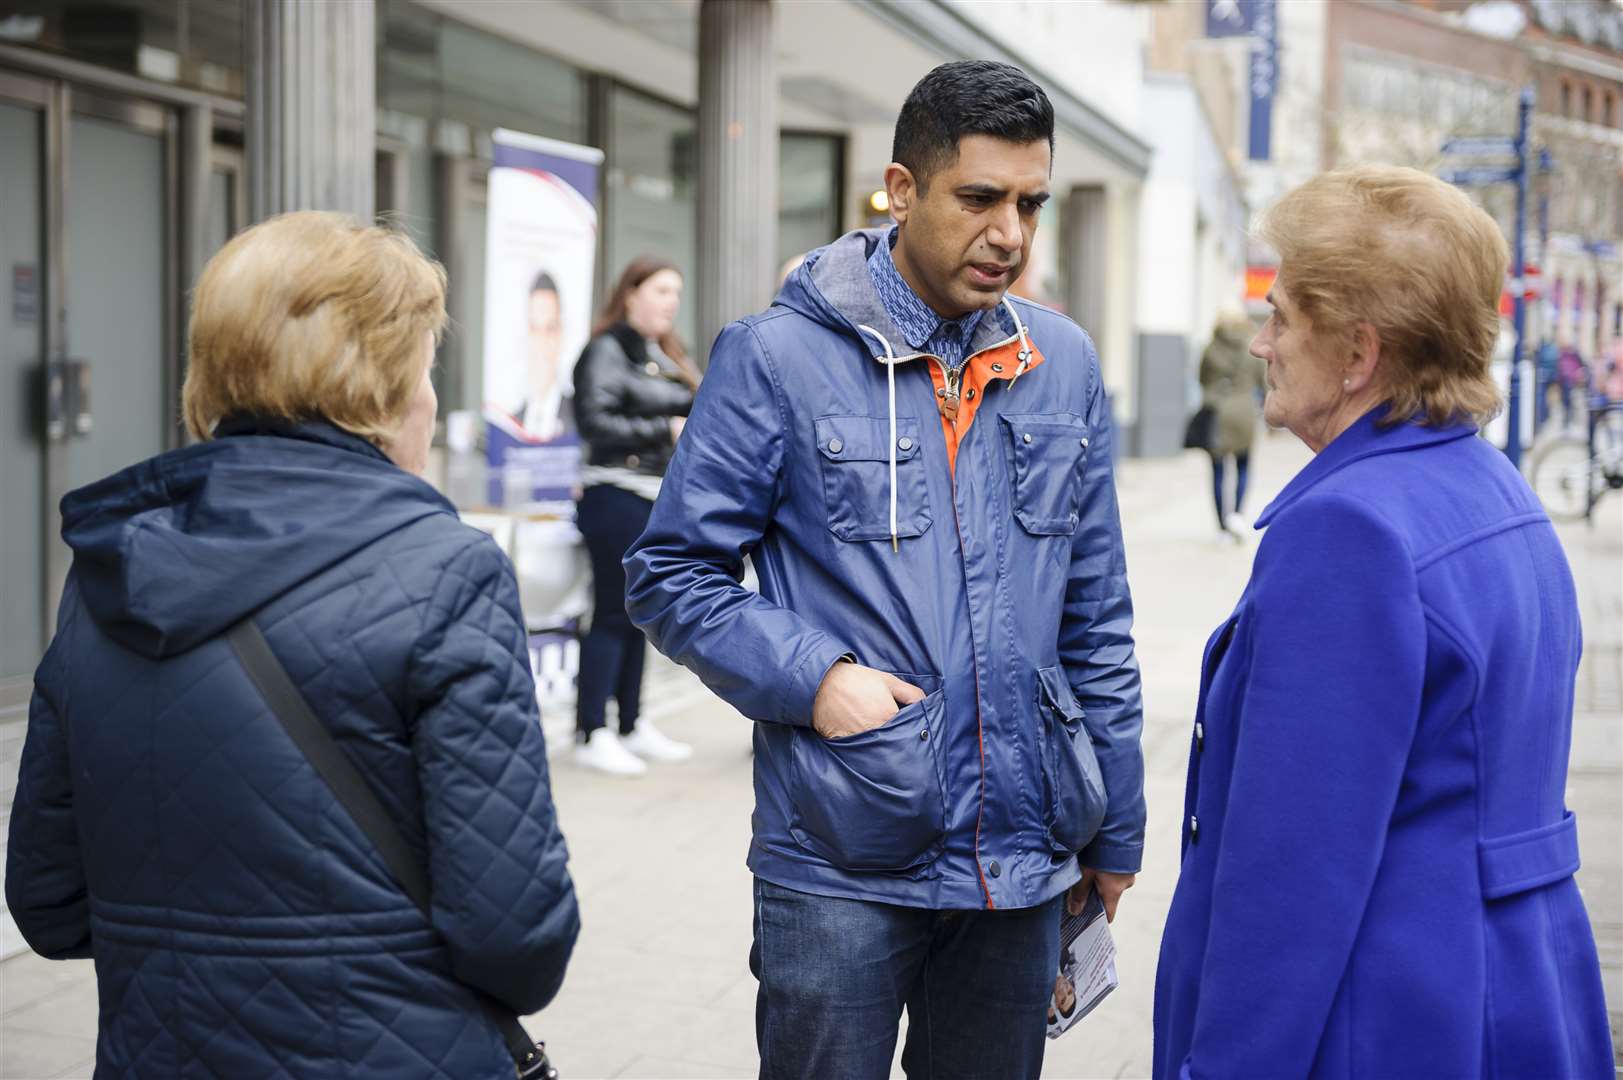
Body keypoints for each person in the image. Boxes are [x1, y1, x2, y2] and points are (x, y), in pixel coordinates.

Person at [625, 60, 1144, 1079]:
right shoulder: (773, 358)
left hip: (1020, 863)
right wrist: (814, 677)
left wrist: (1114, 827)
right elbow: (671, 571)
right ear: (903, 192)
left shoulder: (1065, 365)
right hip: (838, 858)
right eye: (981, 199)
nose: (1011, 233)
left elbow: (1096, 613)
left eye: (1030, 203)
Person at [3, 212, 580, 1079]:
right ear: (383, 393)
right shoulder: (445, 572)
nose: (429, 397)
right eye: (423, 368)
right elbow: (515, 935)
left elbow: (48, 905)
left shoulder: (111, 570)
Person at [1154, 167, 1614, 1078]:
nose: (1260, 343)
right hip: (1512, 989)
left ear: (1358, 354)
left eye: (1283, 317)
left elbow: (1291, 876)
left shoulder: (1347, 530)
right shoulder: (1496, 492)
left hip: (1381, 1014)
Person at [571, 256, 700, 776]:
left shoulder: (661, 352)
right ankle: (591, 730)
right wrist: (662, 430)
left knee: (638, 615)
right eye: (662, 290)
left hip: (651, 496)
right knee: (609, 613)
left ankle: (629, 723)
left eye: (676, 292)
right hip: (614, 494)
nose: (671, 302)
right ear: (631, 294)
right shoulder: (605, 349)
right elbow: (593, 419)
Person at [1197, 310, 1266, 540]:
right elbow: (1263, 382)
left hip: (1217, 412)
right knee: (1243, 466)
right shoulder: (1252, 347)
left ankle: (1221, 526)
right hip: (1244, 412)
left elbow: (1202, 379)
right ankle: (1236, 515)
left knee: (1217, 470)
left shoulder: (1210, 348)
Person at [509, 270, 575, 440]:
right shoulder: (510, 425)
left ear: (562, 334)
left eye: (550, 328)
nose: (542, 341)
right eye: (534, 328)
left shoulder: (578, 419)